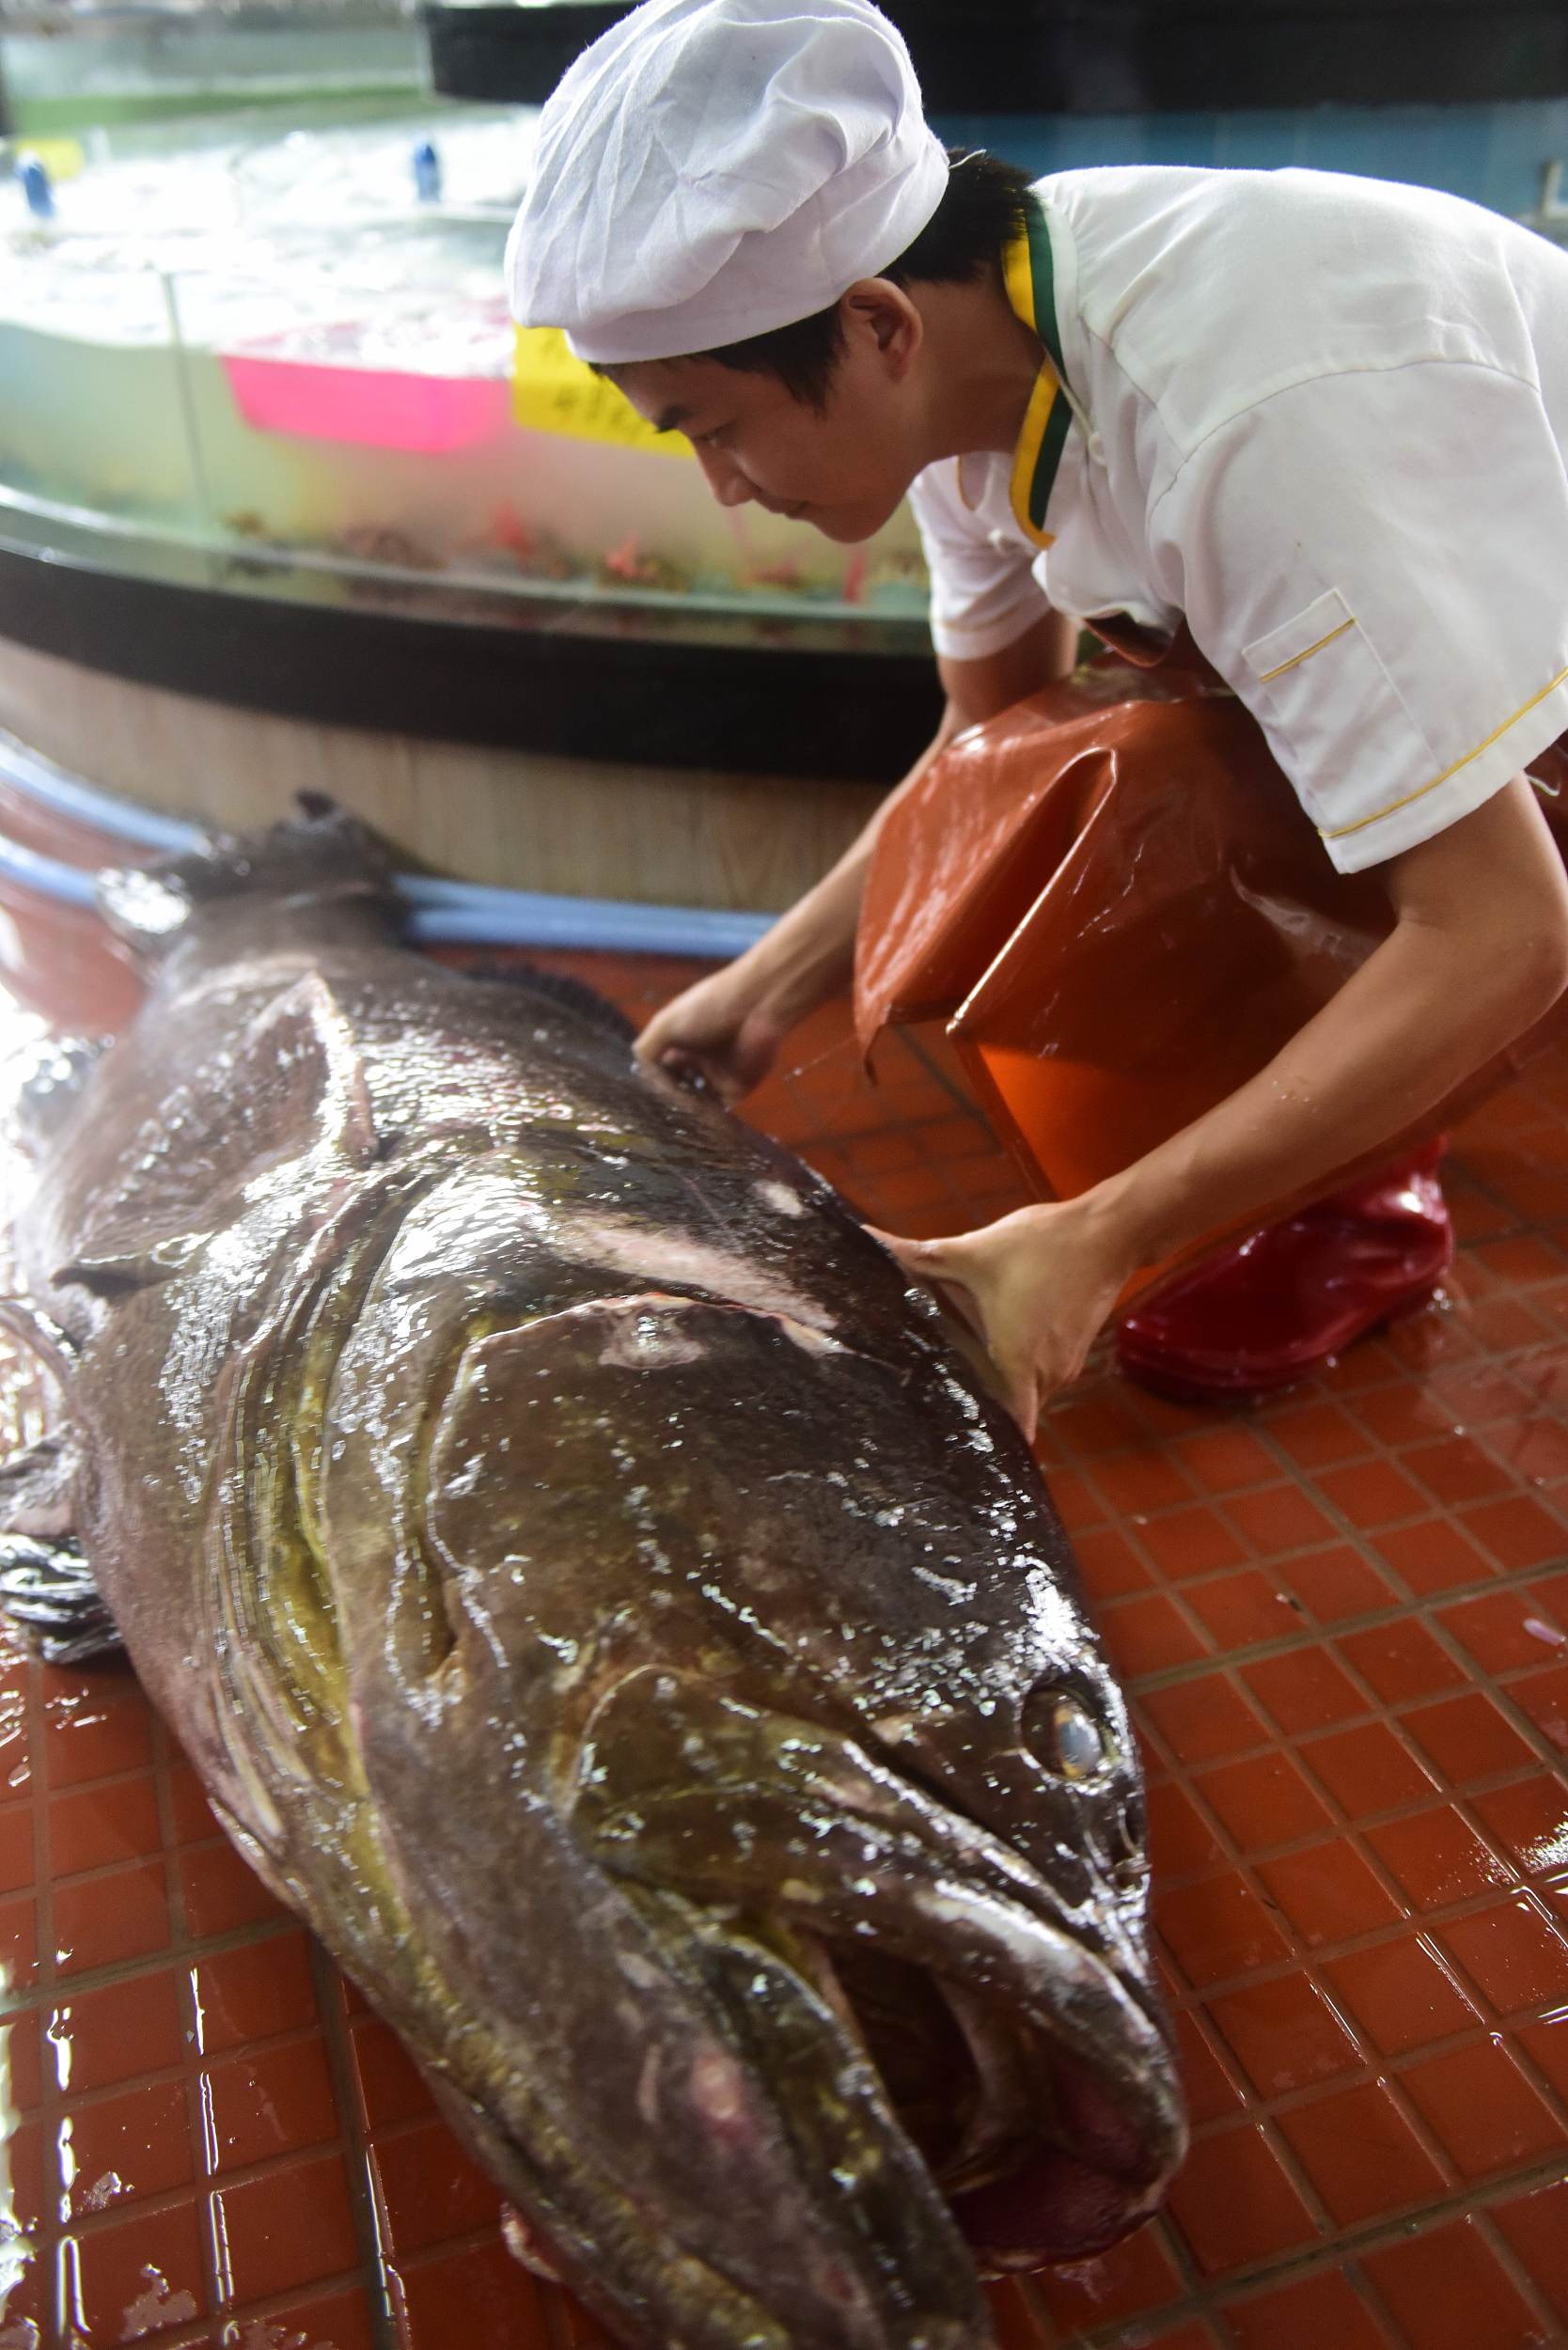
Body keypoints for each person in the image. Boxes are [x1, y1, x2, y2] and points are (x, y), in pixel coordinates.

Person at [506, 0, 1568, 1438]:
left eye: (713, 424)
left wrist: (1101, 1239)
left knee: (1178, 807)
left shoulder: (1241, 419)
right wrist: (766, 986)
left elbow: (1505, 923)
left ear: (873, 324)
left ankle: (1357, 1201)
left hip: (1531, 696)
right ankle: (1303, 1139)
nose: (725, 486)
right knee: (1062, 785)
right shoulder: (976, 347)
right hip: (1468, 645)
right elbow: (977, 762)